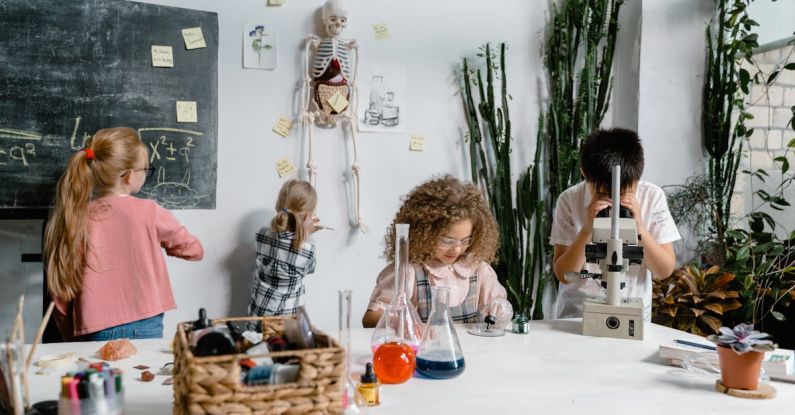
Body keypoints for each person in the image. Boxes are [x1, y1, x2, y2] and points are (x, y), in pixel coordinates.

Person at [44, 127, 204, 341]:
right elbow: (195, 251)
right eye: (146, 169)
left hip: (95, 327)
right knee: (142, 374)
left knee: (103, 376)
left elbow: (60, 291)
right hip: (146, 322)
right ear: (128, 175)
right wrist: (167, 246)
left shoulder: (76, 216)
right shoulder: (149, 211)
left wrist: (69, 333)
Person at [550, 128, 680, 320]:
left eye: (623, 192)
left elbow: (664, 270)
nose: (614, 200)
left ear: (638, 176)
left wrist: (640, 229)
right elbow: (565, 274)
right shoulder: (570, 200)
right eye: (603, 194)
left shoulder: (652, 196)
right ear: (584, 173)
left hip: (633, 314)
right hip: (578, 314)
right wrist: (586, 230)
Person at [362, 175, 508, 328]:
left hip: (472, 352)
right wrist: (405, 323)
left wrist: (500, 309)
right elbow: (370, 318)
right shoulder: (409, 272)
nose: (457, 249)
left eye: (465, 241)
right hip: (423, 351)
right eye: (447, 241)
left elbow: (499, 307)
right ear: (425, 234)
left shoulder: (478, 270)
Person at [248, 180, 322, 317]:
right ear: (306, 216)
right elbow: (310, 269)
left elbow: (280, 246)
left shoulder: (262, 234)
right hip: (288, 321)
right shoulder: (308, 250)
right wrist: (305, 236)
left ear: (279, 206)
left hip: (258, 316)